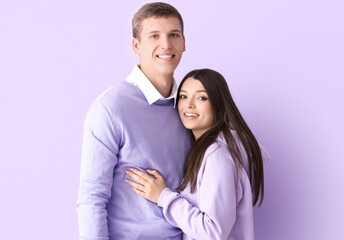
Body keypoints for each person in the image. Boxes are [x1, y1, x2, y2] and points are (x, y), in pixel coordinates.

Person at [77, 2, 191, 240]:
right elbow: (91, 197)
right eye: (154, 36)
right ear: (136, 45)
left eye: (173, 35)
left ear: (183, 43)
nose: (166, 45)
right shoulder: (110, 108)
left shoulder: (189, 109)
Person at [125, 69, 265, 240]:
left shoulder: (217, 156)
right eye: (183, 96)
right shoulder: (206, 150)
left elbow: (213, 232)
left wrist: (163, 196)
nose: (189, 104)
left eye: (201, 98)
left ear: (218, 104)